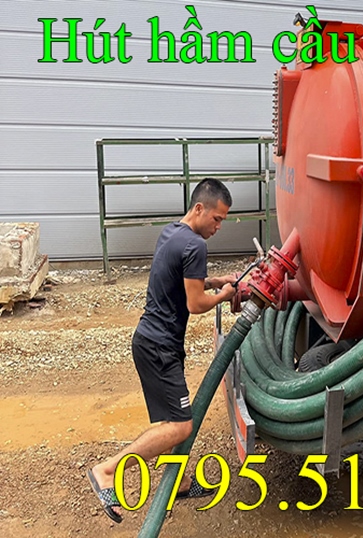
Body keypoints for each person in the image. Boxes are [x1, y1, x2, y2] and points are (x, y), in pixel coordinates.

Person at [87, 178, 237, 523]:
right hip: (160, 348)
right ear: (199, 208)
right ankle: (107, 470)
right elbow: (196, 304)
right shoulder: (196, 245)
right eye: (217, 219)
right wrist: (224, 295)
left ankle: (179, 484)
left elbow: (177, 275)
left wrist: (213, 281)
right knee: (181, 427)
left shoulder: (172, 232)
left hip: (149, 341)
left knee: (170, 421)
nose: (218, 227)